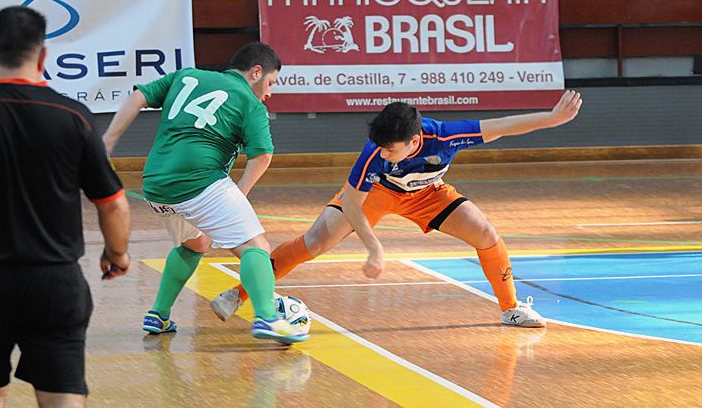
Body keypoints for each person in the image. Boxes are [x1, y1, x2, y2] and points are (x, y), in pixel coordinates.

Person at [211, 90, 583, 327]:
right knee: (315, 242)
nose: (383, 152)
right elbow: (354, 205)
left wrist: (552, 118)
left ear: (415, 140)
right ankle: (238, 293)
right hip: (377, 195)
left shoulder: (445, 136)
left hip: (428, 194)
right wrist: (374, 246)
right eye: (381, 147)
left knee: (486, 234)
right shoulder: (374, 153)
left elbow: (502, 125)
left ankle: (510, 308)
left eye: (392, 149)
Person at [0, 6, 131, 408]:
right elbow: (113, 204)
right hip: (53, 282)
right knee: (63, 397)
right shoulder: (73, 116)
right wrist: (118, 252)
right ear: (43, 57)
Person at [102, 42, 308, 344]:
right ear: (256, 72)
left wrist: (107, 141)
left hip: (156, 183)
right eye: (271, 83)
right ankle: (267, 317)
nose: (269, 93)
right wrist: (239, 195)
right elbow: (262, 156)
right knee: (256, 246)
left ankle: (158, 314)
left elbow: (137, 97)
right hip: (199, 181)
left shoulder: (186, 76)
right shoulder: (250, 104)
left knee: (195, 242)